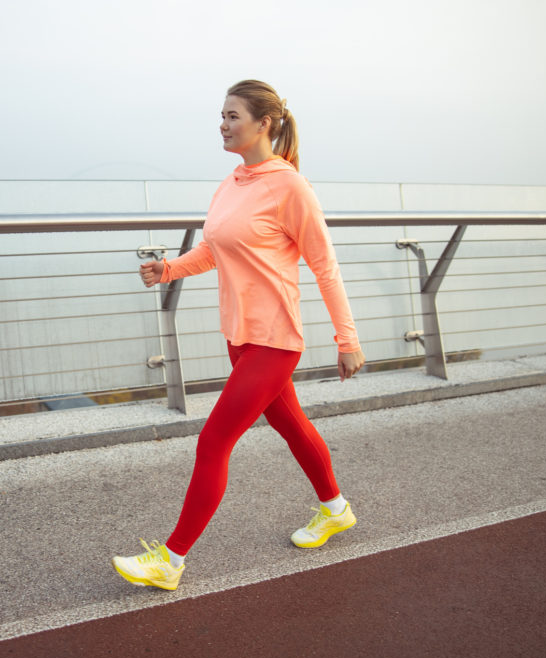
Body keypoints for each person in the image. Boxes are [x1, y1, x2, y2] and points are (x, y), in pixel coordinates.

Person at [111, 79, 365, 591]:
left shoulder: (291, 187)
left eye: (232, 116)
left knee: (213, 441)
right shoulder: (231, 184)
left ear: (263, 124)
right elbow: (214, 249)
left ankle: (171, 558)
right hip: (240, 336)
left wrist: (347, 339)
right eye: (222, 116)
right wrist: (169, 269)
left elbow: (325, 266)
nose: (223, 125)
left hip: (274, 340)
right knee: (291, 425)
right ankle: (335, 509)